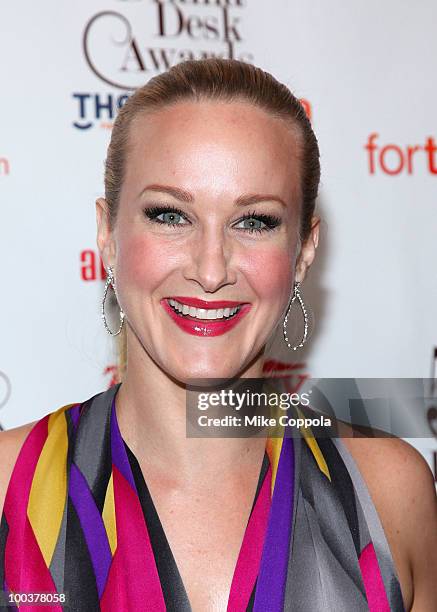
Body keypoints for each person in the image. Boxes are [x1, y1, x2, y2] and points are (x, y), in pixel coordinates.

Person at [0, 58, 436, 612]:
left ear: (304, 250)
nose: (211, 270)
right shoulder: (7, 489)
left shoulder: (390, 493)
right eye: (169, 215)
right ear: (107, 235)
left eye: (254, 221)